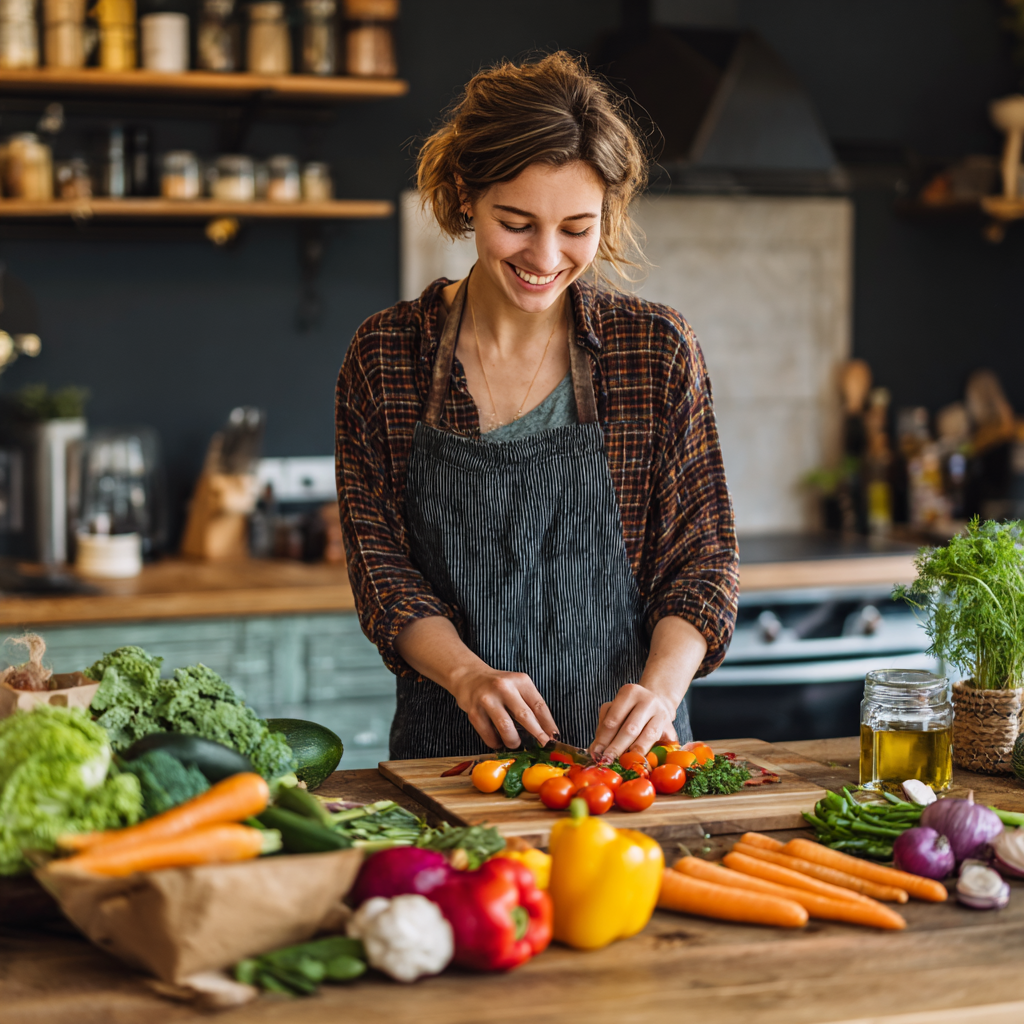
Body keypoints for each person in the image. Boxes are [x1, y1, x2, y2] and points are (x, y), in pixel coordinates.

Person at [336, 52, 738, 765]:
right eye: (516, 222)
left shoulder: (653, 349)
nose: (546, 257)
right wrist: (466, 674)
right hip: (453, 766)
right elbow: (383, 572)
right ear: (466, 196)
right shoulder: (388, 354)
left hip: (630, 771)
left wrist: (662, 690)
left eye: (577, 228)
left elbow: (702, 563)